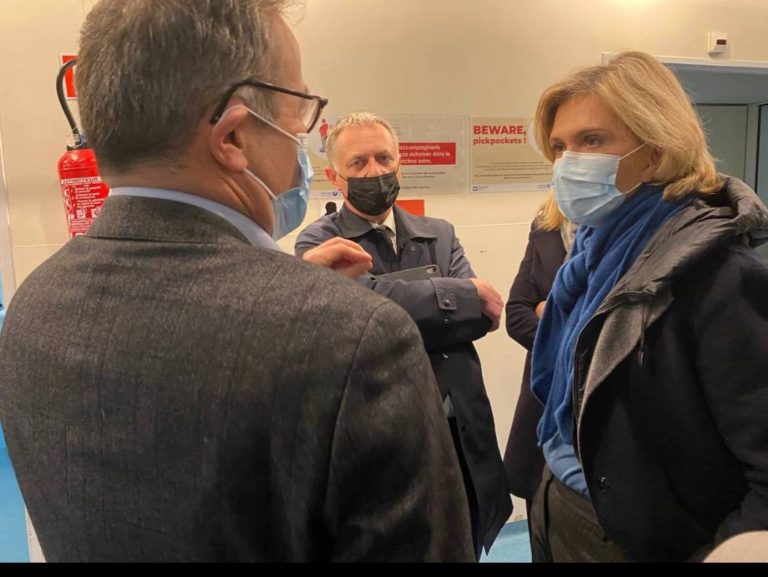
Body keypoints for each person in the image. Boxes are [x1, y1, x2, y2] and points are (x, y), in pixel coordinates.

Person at [0, 1, 475, 562]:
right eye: (299, 111)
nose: (303, 138)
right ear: (233, 139)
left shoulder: (33, 305)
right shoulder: (354, 338)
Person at [528, 50, 768, 562]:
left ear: (655, 151)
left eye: (592, 141)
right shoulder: (591, 255)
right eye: (559, 146)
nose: (569, 162)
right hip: (558, 497)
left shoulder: (719, 275)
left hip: (635, 538)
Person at [295, 112, 512, 557]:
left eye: (383, 158)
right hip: (382, 434)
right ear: (335, 177)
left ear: (400, 166)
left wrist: (391, 298)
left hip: (458, 422)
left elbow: (481, 317)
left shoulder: (439, 233)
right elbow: (357, 323)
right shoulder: (316, 244)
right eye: (358, 163)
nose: (374, 171)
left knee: (467, 536)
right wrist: (455, 296)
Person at [503, 194, 573, 529]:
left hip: (603, 432)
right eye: (559, 148)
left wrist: (550, 313)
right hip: (543, 411)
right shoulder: (548, 223)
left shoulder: (641, 231)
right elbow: (516, 314)